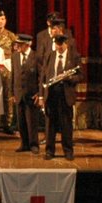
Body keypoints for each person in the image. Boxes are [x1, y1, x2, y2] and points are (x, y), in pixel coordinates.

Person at [39, 29, 81, 161]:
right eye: (57, 44)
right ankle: (49, 151)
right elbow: (43, 76)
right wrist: (41, 96)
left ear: (66, 44)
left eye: (61, 44)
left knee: (66, 125)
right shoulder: (50, 55)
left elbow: (80, 76)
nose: (59, 47)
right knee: (50, 124)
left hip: (66, 95)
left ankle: (68, 151)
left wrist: (69, 78)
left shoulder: (74, 56)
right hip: (51, 94)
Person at [11, 33, 39, 153]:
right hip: (19, 94)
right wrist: (13, 93)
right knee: (21, 121)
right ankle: (24, 143)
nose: (18, 46)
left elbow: (40, 76)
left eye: (20, 44)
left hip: (31, 94)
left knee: (31, 121)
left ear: (27, 45)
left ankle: (34, 144)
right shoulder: (15, 57)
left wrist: (39, 93)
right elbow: (13, 75)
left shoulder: (36, 56)